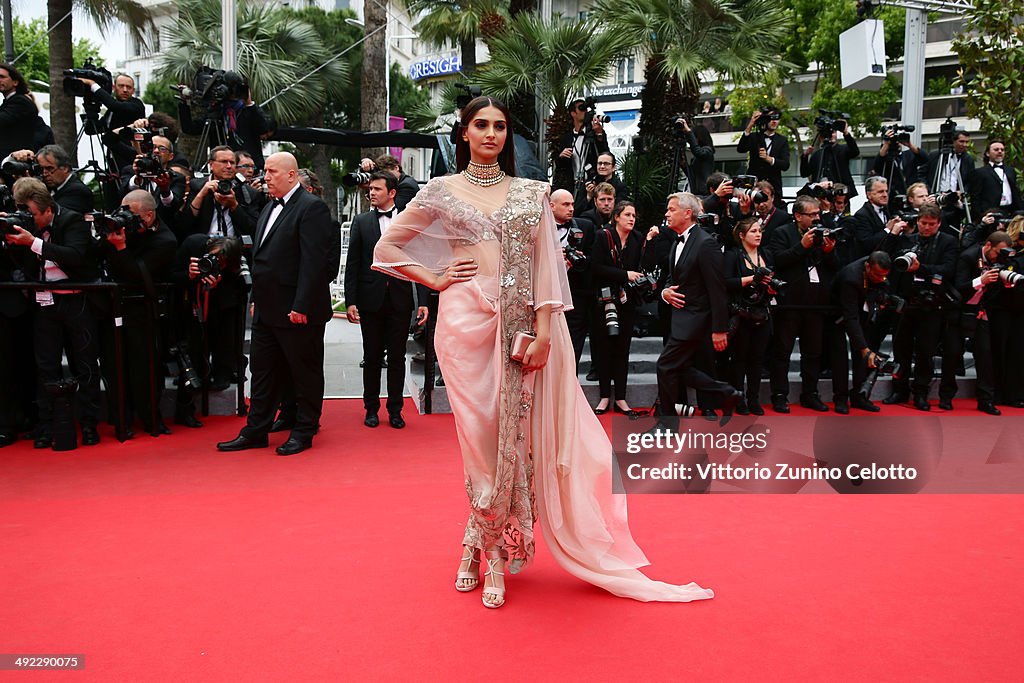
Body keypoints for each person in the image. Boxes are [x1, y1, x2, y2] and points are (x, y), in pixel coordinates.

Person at [372, 96, 713, 608]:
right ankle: (487, 545)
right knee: (480, 441)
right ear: (463, 132)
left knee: (515, 441)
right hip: (463, 327)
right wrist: (435, 277)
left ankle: (482, 547)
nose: (491, 134)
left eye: (500, 127)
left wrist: (547, 331)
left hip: (521, 330)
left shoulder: (531, 193)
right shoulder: (439, 191)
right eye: (481, 125)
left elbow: (546, 272)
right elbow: (386, 249)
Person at [217, 152, 333, 456]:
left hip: (297, 310)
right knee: (263, 371)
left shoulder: (312, 208)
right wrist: (256, 299)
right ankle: (256, 430)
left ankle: (305, 430)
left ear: (291, 175)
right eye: (265, 171)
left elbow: (313, 263)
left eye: (272, 172)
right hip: (267, 309)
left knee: (304, 372)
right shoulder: (269, 207)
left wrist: (302, 306)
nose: (265, 177)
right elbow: (261, 261)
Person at [5, 178, 102, 447]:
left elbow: (75, 255)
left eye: (32, 214)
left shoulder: (72, 220)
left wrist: (33, 242)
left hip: (76, 301)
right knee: (45, 366)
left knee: (85, 364)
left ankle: (89, 424)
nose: (29, 219)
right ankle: (47, 427)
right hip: (44, 304)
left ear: (48, 209)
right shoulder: (24, 225)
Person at [345, 171, 429, 429]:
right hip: (370, 299)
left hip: (400, 299)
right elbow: (354, 263)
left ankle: (396, 410)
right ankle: (371, 408)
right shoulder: (361, 222)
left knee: (396, 357)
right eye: (370, 189)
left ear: (392, 193)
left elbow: (419, 262)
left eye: (377, 189)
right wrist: (351, 300)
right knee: (371, 357)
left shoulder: (407, 221)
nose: (371, 193)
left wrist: (423, 300)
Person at [652, 192, 742, 421]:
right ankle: (726, 392)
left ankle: (668, 420)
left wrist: (719, 328)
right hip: (681, 319)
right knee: (676, 367)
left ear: (687, 213)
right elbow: (673, 279)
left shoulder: (705, 243)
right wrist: (664, 292)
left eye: (671, 209)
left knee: (665, 366)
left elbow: (717, 289)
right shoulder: (677, 242)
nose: (666, 214)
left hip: (696, 320)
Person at [589, 201, 645, 416]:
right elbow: (596, 268)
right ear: (616, 217)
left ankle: (621, 398)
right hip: (603, 300)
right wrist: (624, 275)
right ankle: (604, 397)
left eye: (633, 215)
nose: (632, 218)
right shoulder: (604, 236)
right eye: (627, 214)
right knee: (603, 348)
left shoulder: (638, 239)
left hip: (627, 301)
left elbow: (643, 267)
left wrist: (650, 242)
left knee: (623, 349)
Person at [724, 218, 777, 415]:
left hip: (762, 312)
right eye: (753, 231)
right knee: (740, 359)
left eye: (759, 231)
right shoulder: (732, 256)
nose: (758, 234)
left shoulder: (767, 254)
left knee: (758, 359)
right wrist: (751, 279)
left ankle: (754, 399)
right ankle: (739, 398)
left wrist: (771, 289)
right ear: (741, 235)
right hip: (741, 313)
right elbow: (726, 282)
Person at [736, 107, 790, 207]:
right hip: (755, 185)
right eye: (771, 118)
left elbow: (785, 164)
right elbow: (741, 149)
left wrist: (769, 159)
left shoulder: (782, 140)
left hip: (774, 186)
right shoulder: (754, 137)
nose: (774, 121)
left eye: (777, 118)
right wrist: (750, 124)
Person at [36, 144, 95, 214]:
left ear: (65, 168)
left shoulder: (78, 191)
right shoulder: (47, 187)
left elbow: (52, 216)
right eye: (41, 169)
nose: (44, 174)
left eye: (49, 169)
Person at [969, 139, 1022, 214]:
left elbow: (1015, 192)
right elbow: (975, 198)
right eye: (996, 149)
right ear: (987, 153)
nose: (1000, 151)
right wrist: (980, 217)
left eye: (1002, 150)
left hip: (1010, 212)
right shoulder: (980, 172)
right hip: (990, 213)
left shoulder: (1011, 170)